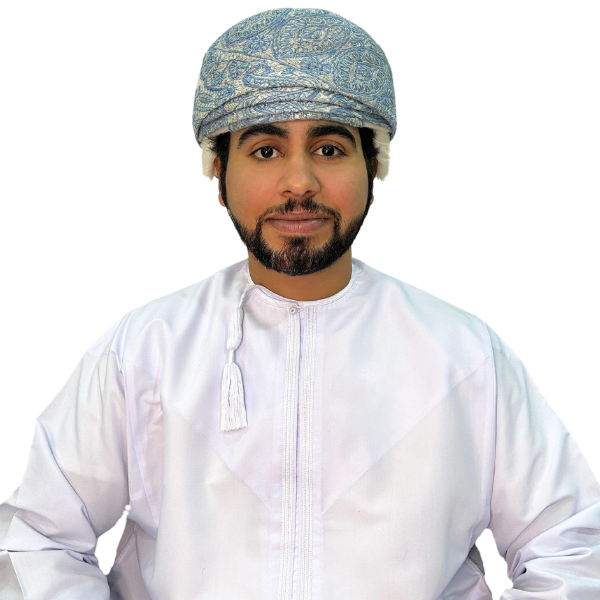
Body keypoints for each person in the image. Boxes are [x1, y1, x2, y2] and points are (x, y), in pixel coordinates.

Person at [1, 7, 598, 599]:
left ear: (375, 167)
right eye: (265, 150)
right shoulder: (147, 348)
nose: (299, 182)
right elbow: (38, 539)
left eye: (330, 148)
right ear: (217, 172)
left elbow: (573, 548)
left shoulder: (462, 353)